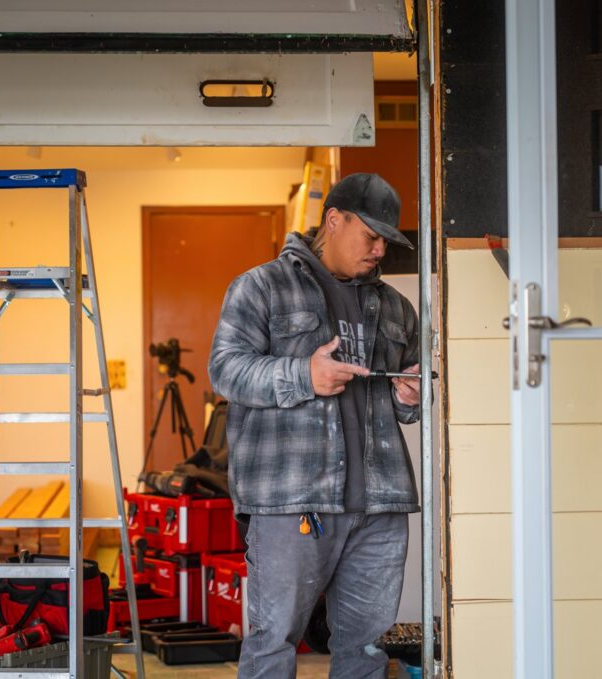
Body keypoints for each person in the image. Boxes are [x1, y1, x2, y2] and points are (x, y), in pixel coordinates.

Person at [209, 172, 422, 678]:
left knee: (368, 649)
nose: (378, 251)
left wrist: (410, 396)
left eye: (386, 242)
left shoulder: (395, 306)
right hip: (291, 502)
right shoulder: (261, 287)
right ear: (333, 220)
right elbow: (225, 370)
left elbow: (406, 404)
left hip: (379, 503)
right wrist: (303, 374)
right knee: (273, 641)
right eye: (370, 236)